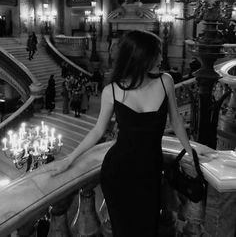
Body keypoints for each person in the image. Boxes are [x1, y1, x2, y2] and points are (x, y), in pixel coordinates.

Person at [50, 30, 214, 237]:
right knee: (123, 230)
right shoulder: (112, 91)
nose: (162, 58)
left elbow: (177, 122)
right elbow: (98, 130)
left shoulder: (166, 81)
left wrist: (193, 152)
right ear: (140, 57)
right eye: (157, 53)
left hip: (150, 172)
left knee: (148, 228)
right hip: (118, 173)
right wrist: (69, 159)